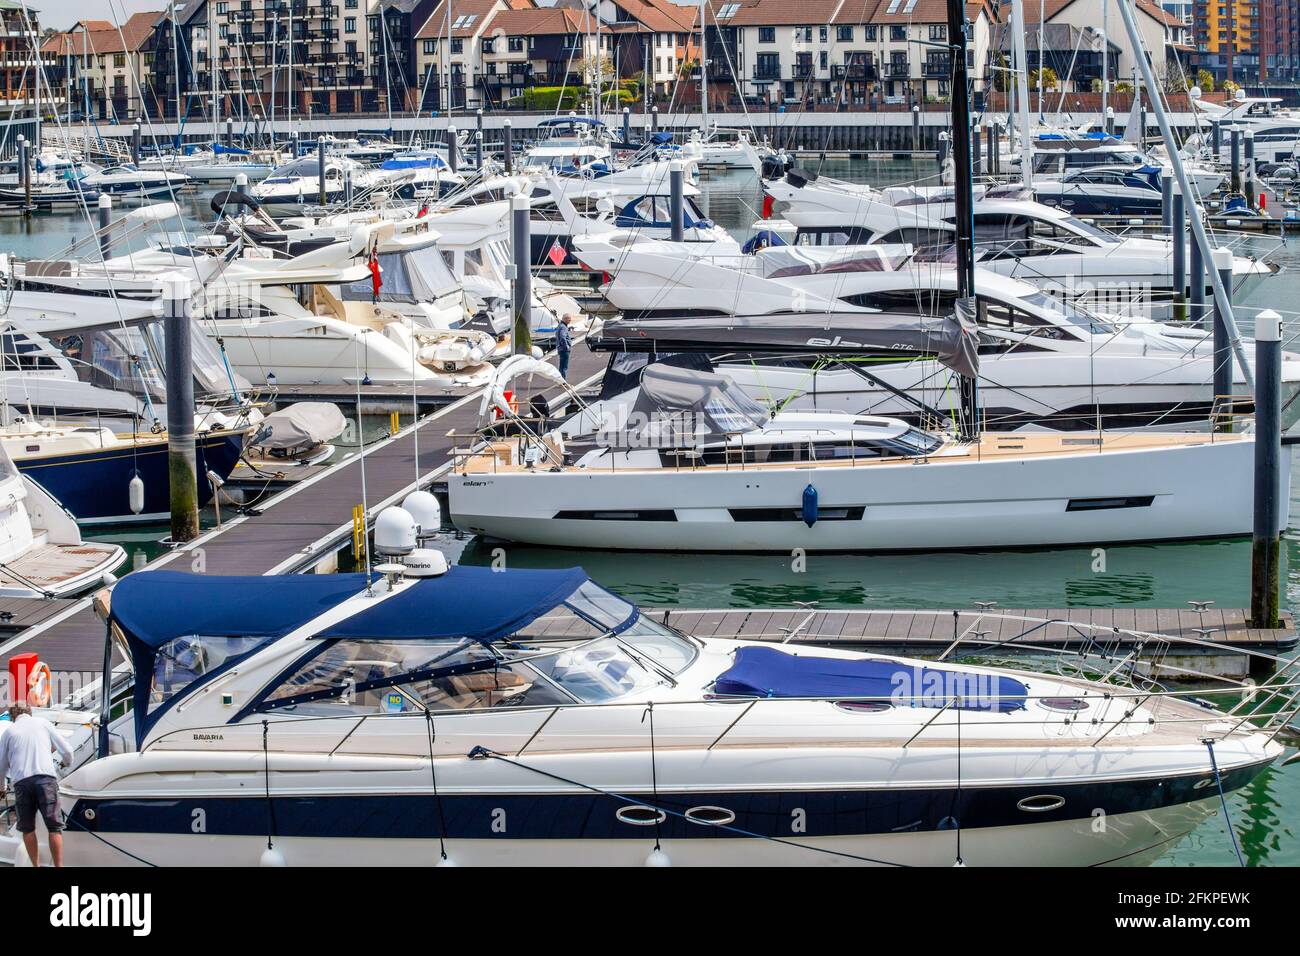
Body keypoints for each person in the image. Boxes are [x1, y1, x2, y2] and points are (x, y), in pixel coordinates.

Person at [0, 702, 72, 867]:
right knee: (54, 827)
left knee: (27, 828)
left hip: (22, 783)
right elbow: (67, 750)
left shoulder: (9, 732)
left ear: (12, 716)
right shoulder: (43, 723)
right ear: (30, 712)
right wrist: (65, 764)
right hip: (46, 780)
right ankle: (59, 867)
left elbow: (1, 766)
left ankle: (35, 866)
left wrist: (2, 788)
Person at [556, 314, 573, 381]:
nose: (570, 321)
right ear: (565, 319)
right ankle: (563, 382)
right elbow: (563, 338)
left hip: (561, 349)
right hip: (564, 350)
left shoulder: (560, 325)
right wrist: (566, 347)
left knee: (561, 366)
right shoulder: (563, 327)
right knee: (564, 367)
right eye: (569, 319)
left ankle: (561, 381)